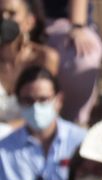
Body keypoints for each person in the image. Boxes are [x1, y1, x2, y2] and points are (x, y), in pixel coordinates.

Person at [0, 64, 82, 180]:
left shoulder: (82, 142)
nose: (36, 107)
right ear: (18, 102)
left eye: (43, 99)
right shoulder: (3, 151)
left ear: (59, 100)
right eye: (28, 101)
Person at [0, 0, 60, 132]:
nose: (4, 18)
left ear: (29, 22)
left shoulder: (45, 57)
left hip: (32, 137)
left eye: (12, 13)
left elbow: (47, 109)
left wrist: (7, 129)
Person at [41, 0, 101, 125]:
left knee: (82, 58)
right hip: (38, 22)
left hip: (68, 26)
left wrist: (77, 26)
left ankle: (76, 123)